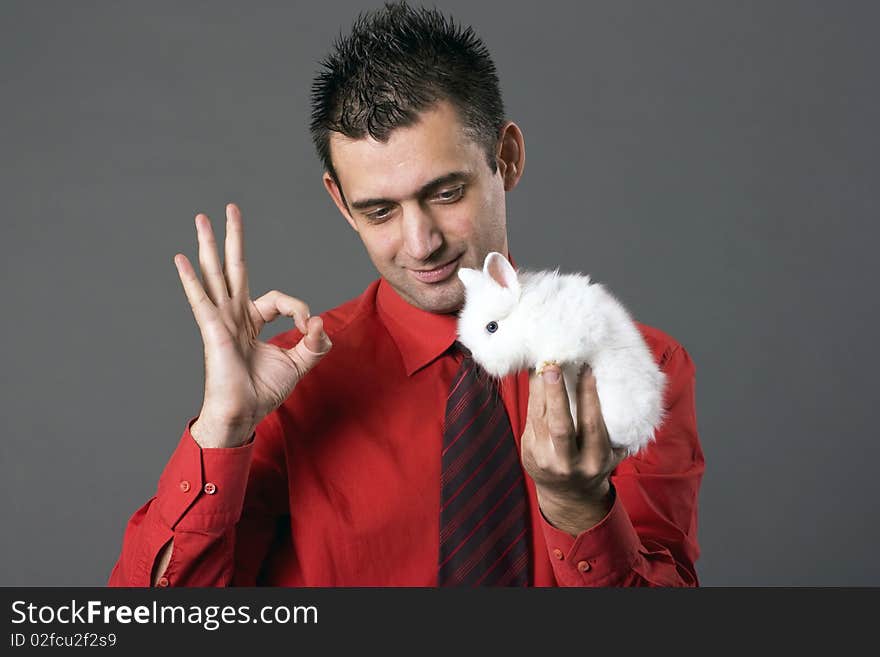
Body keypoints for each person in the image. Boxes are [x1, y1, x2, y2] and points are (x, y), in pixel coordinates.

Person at [108, 2, 704, 587]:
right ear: (342, 204)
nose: (420, 245)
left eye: (446, 194)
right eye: (380, 210)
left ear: (507, 158)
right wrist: (223, 428)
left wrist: (579, 507)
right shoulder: (287, 390)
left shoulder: (637, 368)